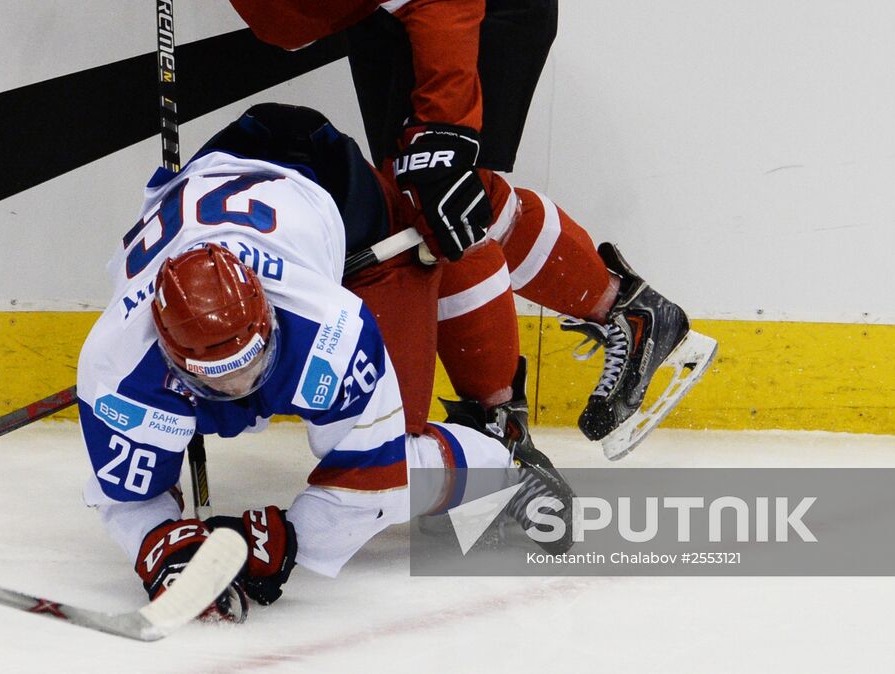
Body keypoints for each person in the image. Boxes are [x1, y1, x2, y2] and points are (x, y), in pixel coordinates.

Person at [0, 0, 717, 464]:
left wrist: (448, 131)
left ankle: (503, 418)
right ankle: (626, 314)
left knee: (442, 193)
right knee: (416, 198)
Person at [75, 104, 572, 619]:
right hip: (214, 176)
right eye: (220, 378)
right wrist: (161, 545)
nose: (242, 385)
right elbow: (126, 495)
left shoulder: (329, 326)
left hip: (323, 175)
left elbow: (374, 479)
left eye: (253, 363)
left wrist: (291, 539)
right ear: (170, 359)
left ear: (269, 318)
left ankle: (502, 463)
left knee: (398, 448)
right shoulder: (116, 366)